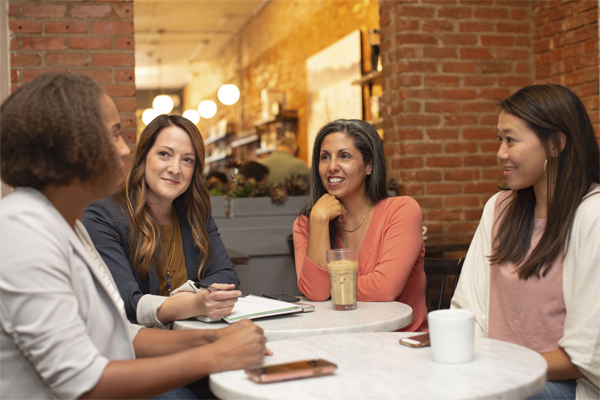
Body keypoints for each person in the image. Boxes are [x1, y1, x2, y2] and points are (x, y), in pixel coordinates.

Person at [0, 72, 268, 399]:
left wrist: (211, 339)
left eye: (187, 160)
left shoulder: (68, 226)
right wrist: (214, 355)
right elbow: (80, 382)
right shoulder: (21, 229)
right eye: (114, 136)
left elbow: (121, 334)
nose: (126, 151)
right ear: (71, 146)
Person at [451, 84, 600, 400]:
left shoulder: (592, 214)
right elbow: (469, 308)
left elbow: (585, 355)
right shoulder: (499, 208)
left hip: (563, 385)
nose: (500, 153)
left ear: (556, 144)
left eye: (511, 140)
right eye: (499, 139)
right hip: (494, 374)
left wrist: (500, 369)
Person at [82, 115, 240, 329]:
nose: (175, 169)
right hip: (137, 349)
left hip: (194, 340)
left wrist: (188, 302)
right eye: (164, 154)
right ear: (143, 157)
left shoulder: (196, 213)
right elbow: (125, 302)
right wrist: (193, 303)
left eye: (187, 160)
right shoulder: (103, 217)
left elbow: (226, 276)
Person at [293, 119, 427, 332]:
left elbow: (385, 289)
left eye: (344, 156)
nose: (332, 166)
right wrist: (318, 221)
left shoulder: (402, 210)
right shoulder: (307, 224)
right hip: (342, 342)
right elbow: (317, 293)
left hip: (401, 344)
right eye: (325, 157)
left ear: (369, 165)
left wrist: (331, 287)